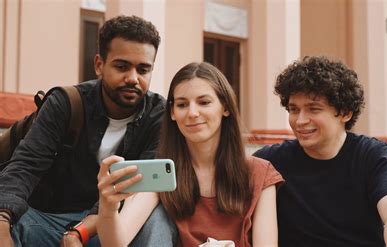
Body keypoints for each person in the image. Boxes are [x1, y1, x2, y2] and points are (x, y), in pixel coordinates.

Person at [0, 15, 175, 247]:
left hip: (109, 227)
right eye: (122, 66)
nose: (133, 78)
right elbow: (26, 165)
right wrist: (2, 224)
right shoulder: (66, 102)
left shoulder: (158, 115)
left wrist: (80, 231)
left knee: (159, 221)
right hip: (48, 221)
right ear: (99, 65)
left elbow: (137, 192)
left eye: (143, 70)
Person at [95, 62, 284, 246]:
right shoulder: (160, 172)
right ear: (172, 113)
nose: (192, 113)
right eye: (182, 104)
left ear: (225, 107)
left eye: (204, 102)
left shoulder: (260, 173)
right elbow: (116, 243)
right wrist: (108, 208)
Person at [253, 56, 387, 247]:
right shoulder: (270, 161)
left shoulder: (372, 155)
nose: (300, 120)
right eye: (293, 109)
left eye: (313, 109)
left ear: (345, 112)